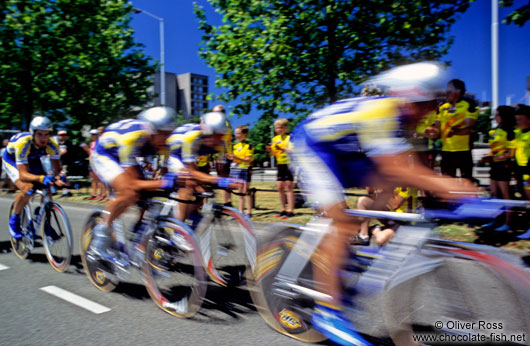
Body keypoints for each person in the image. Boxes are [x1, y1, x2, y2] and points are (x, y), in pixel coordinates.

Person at [290, 62, 479, 345]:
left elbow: (407, 168)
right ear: (407, 98)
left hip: (343, 151)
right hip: (313, 146)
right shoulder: (382, 111)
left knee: (385, 185)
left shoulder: (404, 118)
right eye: (425, 104)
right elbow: (400, 169)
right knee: (339, 223)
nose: (430, 111)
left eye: (435, 104)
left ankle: (346, 248)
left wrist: (447, 191)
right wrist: (452, 186)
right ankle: (327, 313)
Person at [88, 107, 183, 262]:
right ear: (150, 131)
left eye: (170, 134)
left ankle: (138, 232)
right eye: (163, 134)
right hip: (105, 154)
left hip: (126, 155)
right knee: (130, 193)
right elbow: (132, 184)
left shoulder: (165, 142)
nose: (167, 139)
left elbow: (166, 174)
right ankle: (99, 240)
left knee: (150, 194)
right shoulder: (131, 138)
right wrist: (164, 182)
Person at [166, 111, 242, 222]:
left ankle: (191, 213)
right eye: (213, 135)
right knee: (188, 184)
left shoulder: (221, 143)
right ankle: (179, 228)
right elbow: (191, 171)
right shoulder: (191, 138)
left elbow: (221, 170)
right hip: (175, 154)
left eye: (220, 135)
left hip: (190, 156)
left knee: (205, 191)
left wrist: (228, 182)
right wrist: (219, 181)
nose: (217, 139)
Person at [3, 116, 66, 239]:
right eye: (40, 134)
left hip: (32, 159)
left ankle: (46, 222)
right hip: (12, 160)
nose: (43, 138)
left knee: (47, 187)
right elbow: (23, 174)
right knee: (28, 187)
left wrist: (61, 176)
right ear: (33, 133)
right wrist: (42, 178)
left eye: (46, 134)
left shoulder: (52, 144)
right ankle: (14, 220)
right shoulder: (24, 143)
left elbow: (57, 169)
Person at [480, 106, 516, 231]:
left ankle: (507, 222)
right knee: (494, 194)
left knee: (505, 195)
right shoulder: (493, 131)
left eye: (497, 114)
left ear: (503, 117)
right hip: (494, 165)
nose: (494, 117)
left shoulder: (510, 132)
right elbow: (493, 151)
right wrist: (488, 157)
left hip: (504, 165)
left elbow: (510, 153)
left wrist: (493, 158)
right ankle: (495, 220)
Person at [434, 79, 478, 181]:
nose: (446, 93)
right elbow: (437, 130)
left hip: (463, 151)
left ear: (458, 92)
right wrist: (429, 131)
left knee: (467, 183)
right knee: (448, 183)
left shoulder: (469, 105)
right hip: (446, 152)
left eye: (449, 90)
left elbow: (469, 129)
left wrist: (455, 132)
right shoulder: (442, 107)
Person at [266, 118, 295, 218]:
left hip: (289, 164)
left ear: (286, 128)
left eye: (281, 127)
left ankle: (290, 210)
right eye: (277, 127)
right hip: (280, 165)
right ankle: (283, 209)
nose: (278, 129)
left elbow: (291, 150)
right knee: (280, 187)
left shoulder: (290, 137)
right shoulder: (275, 139)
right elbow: (273, 154)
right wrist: (270, 150)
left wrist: (281, 148)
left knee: (289, 187)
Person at [228, 125, 254, 218]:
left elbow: (249, 160)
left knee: (246, 191)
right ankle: (240, 211)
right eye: (236, 133)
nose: (237, 135)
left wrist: (236, 158)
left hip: (246, 169)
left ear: (245, 134)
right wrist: (231, 158)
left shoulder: (249, 145)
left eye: (239, 133)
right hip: (238, 169)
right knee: (239, 191)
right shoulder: (235, 146)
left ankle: (249, 212)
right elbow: (236, 160)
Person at [513, 105, 530, 239]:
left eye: (520, 119)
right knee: (526, 201)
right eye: (516, 119)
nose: (517, 122)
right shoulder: (519, 133)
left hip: (528, 172)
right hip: (520, 171)